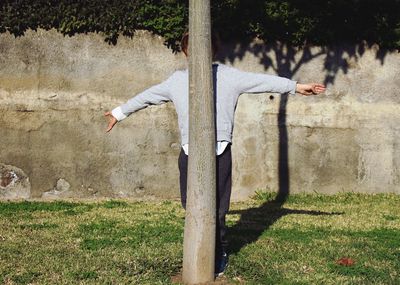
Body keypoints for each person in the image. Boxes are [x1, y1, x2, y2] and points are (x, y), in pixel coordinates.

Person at [104, 32, 326, 276]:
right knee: (191, 206)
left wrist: (295, 87)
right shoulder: (177, 80)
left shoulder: (228, 76)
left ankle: (219, 252)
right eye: (193, 47)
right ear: (186, 52)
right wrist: (119, 112)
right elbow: (147, 97)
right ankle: (196, 254)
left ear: (213, 50)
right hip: (190, 153)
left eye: (205, 47)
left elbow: (262, 81)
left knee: (218, 210)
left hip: (219, 151)